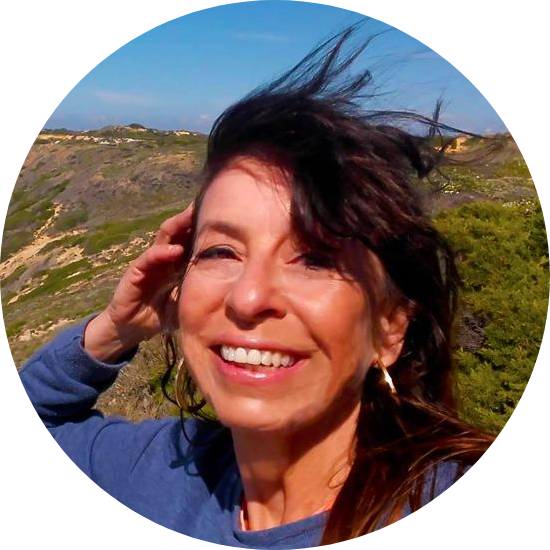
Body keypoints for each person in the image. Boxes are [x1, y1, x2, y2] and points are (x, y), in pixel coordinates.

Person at [18, 24, 495, 547]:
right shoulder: (164, 471)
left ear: (390, 328)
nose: (247, 298)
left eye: (314, 259)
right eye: (221, 252)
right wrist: (115, 330)